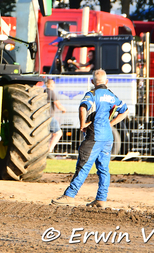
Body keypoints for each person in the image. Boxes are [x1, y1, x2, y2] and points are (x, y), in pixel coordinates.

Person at [51, 69, 128, 208]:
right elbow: (125, 111)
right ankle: (101, 199)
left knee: (83, 165)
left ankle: (69, 195)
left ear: (92, 81)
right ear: (106, 81)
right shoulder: (112, 95)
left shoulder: (91, 94)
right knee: (103, 169)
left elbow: (82, 108)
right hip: (107, 137)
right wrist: (111, 124)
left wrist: (82, 124)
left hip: (94, 136)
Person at [46, 79, 66, 153]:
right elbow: (57, 104)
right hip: (49, 117)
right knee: (58, 133)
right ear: (51, 84)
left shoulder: (44, 91)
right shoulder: (51, 92)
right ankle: (49, 150)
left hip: (43, 116)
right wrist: (63, 109)